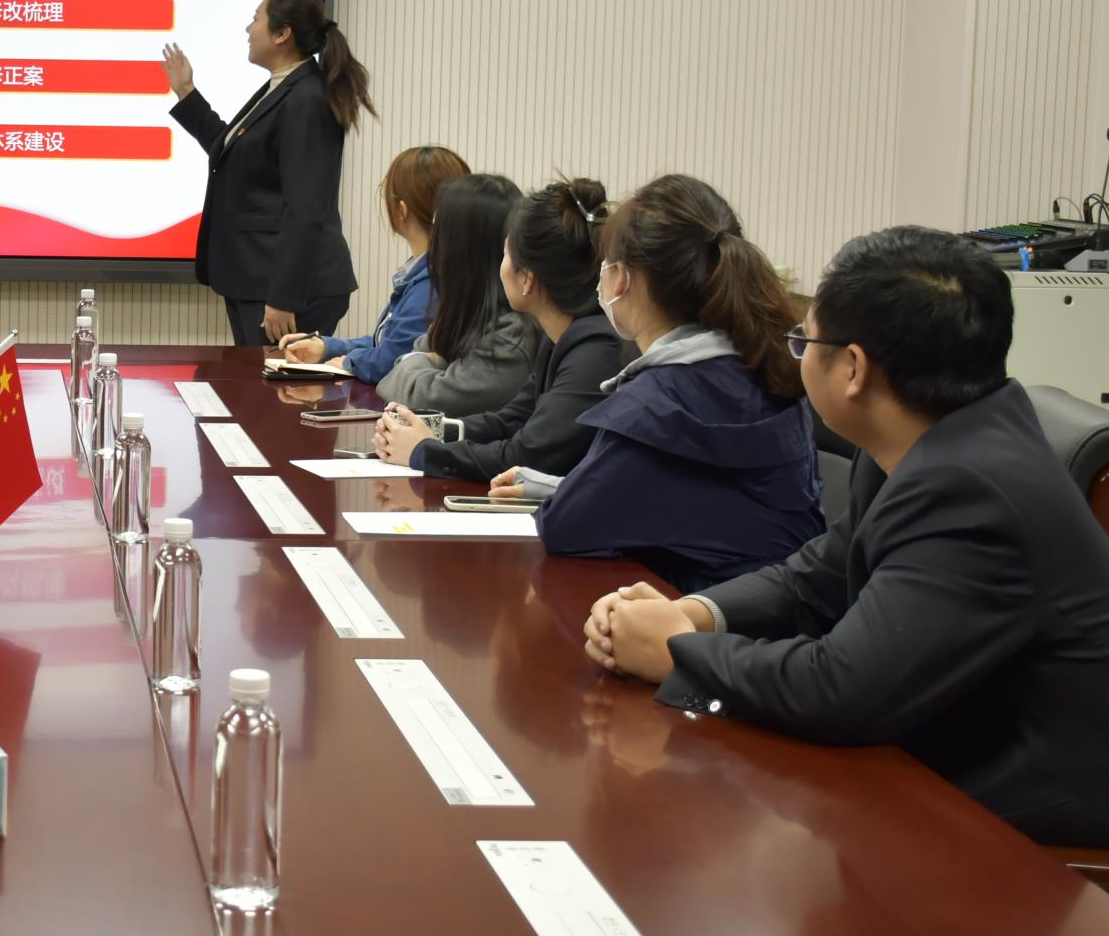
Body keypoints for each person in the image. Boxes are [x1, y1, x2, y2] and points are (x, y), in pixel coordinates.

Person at [583, 226, 1109, 845]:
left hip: (1015, 827)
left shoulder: (968, 490)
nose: (797, 353)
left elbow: (842, 689)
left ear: (853, 369)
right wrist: (693, 613)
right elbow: (818, 576)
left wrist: (676, 652)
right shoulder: (923, 438)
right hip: (931, 752)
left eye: (804, 339)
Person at [501, 174, 821, 593]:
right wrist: (556, 487)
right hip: (777, 609)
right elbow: (698, 500)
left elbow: (563, 527)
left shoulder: (659, 401)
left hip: (696, 616)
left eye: (606, 264)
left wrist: (562, 495)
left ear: (622, 279)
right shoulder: (763, 366)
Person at [161, 0, 374, 346]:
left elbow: (306, 206)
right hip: (257, 277)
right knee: (255, 381)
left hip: (291, 289)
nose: (248, 29)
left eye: (256, 19)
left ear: (281, 34)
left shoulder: (307, 98)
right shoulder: (284, 87)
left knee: (274, 384)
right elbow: (231, 151)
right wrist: (186, 92)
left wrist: (284, 297)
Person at [377, 178, 623, 479]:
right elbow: (509, 421)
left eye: (505, 255)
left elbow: (527, 455)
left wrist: (422, 451)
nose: (500, 267)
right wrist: (428, 430)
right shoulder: (561, 337)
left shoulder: (594, 351)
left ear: (527, 278)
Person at [275, 145, 467, 383]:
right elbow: (386, 341)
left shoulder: (431, 284)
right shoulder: (428, 271)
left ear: (401, 210)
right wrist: (328, 346)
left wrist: (348, 361)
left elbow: (392, 360)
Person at [358, 173, 537, 416]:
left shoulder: (512, 334)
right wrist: (424, 361)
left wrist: (424, 361)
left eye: (439, 231)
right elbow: (398, 370)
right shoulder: (467, 311)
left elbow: (420, 398)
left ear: (461, 249)